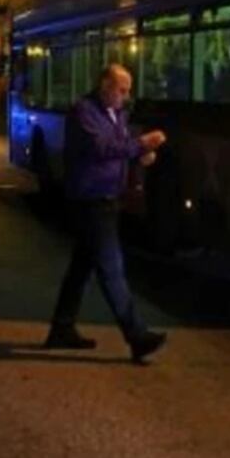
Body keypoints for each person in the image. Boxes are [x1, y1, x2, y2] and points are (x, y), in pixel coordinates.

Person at [44, 63, 168, 363]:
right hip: (91, 200)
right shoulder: (83, 112)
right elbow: (101, 148)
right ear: (105, 86)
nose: (126, 96)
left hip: (108, 199)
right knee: (111, 269)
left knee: (81, 268)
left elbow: (119, 149)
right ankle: (137, 336)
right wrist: (139, 145)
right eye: (121, 90)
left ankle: (61, 328)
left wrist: (139, 157)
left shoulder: (117, 114)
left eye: (127, 91)